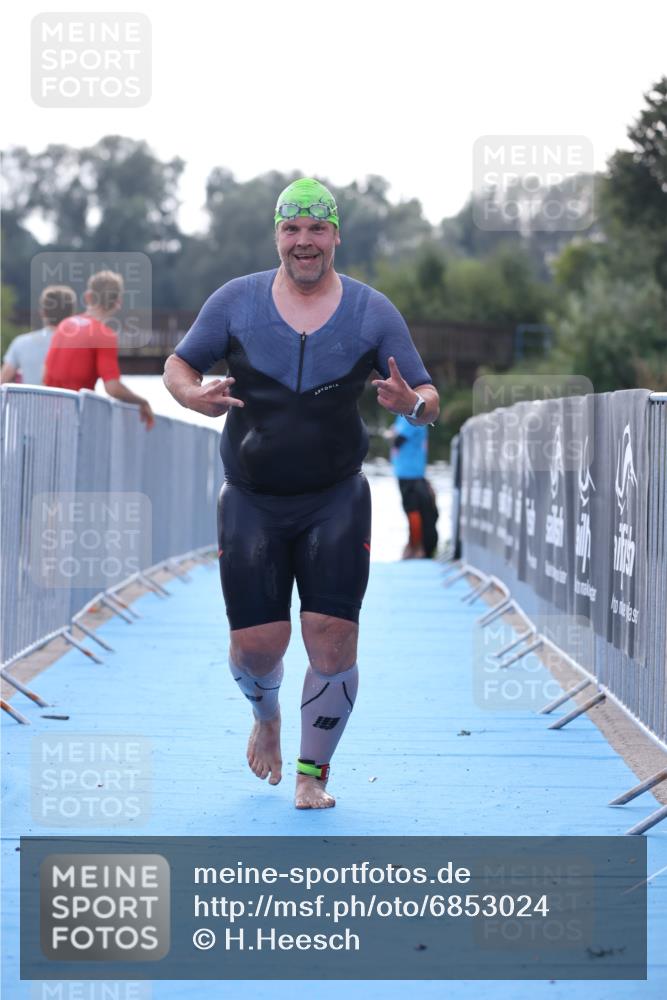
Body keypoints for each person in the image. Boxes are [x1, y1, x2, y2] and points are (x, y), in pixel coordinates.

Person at [163, 178, 439, 809]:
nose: (305, 242)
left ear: (336, 235)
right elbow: (180, 365)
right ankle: (266, 715)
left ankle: (313, 773)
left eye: (317, 229)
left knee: (333, 638)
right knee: (257, 649)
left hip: (335, 498)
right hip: (252, 499)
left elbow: (428, 398)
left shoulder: (372, 311)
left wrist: (413, 405)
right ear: (278, 236)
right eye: (293, 229)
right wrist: (189, 395)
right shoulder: (236, 301)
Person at [43, 270, 154, 429]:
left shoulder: (65, 325)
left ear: (88, 296)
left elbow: (45, 374)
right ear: (118, 303)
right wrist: (142, 401)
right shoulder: (104, 335)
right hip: (75, 419)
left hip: (48, 416)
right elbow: (113, 388)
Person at [1, 285, 77, 385]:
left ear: (43, 312)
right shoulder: (82, 345)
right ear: (72, 313)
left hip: (29, 401)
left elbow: (3, 381)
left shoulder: (20, 343)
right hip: (67, 400)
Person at [389, 414, 439, 559]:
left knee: (414, 510)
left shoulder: (411, 416)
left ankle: (416, 547)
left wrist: (391, 434)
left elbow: (398, 440)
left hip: (411, 473)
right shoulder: (402, 416)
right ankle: (415, 545)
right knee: (414, 510)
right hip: (408, 472)